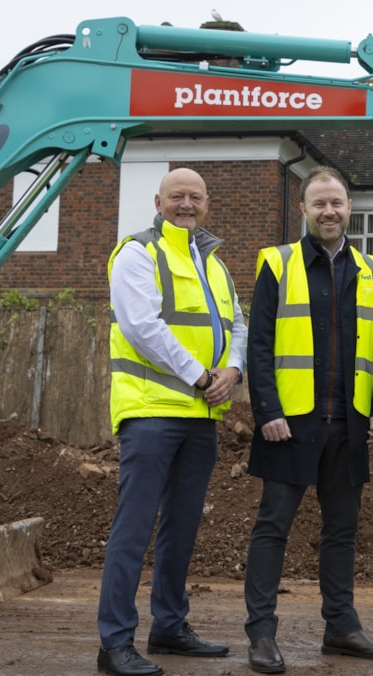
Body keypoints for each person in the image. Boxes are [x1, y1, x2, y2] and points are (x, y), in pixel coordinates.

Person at [242, 166, 373, 674]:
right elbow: (259, 344)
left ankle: (341, 627)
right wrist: (267, 411)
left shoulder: (371, 271)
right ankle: (262, 635)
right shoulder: (278, 263)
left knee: (342, 531)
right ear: (305, 209)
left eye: (337, 203)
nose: (329, 212)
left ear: (348, 207)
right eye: (319, 204)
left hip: (349, 424)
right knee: (273, 528)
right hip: (290, 424)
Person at [97, 167, 246, 676]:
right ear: (158, 202)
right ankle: (114, 644)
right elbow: (142, 327)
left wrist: (233, 369)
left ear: (207, 203)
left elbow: (236, 325)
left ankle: (169, 626)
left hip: (200, 416)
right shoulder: (137, 252)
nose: (187, 203)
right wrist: (202, 376)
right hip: (151, 412)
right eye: (176, 196)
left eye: (195, 196)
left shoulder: (214, 264)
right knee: (133, 530)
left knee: (180, 530)